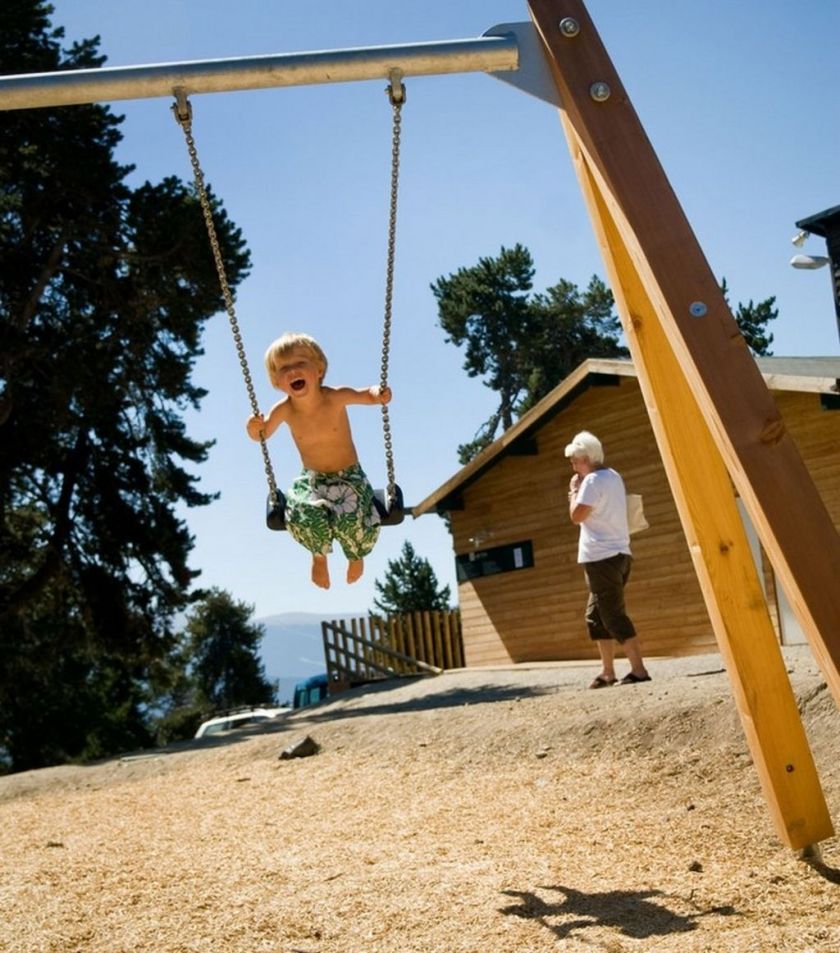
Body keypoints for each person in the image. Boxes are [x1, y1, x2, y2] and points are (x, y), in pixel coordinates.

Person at [246, 331, 391, 590]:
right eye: (284, 368)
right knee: (303, 511)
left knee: (352, 517)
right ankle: (319, 556)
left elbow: (364, 395)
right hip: (311, 479)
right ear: (276, 381)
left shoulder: (333, 397)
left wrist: (378, 393)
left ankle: (356, 555)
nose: (292, 371)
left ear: (319, 369)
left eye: (300, 363)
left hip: (349, 476)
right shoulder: (284, 409)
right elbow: (262, 433)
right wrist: (253, 426)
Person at [565, 430, 651, 689]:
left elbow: (576, 516)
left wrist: (572, 492)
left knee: (612, 615)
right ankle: (607, 672)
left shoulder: (591, 482)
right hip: (620, 555)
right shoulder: (613, 476)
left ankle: (639, 670)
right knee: (595, 615)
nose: (573, 466)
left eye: (575, 460)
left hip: (601, 558)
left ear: (587, 458)